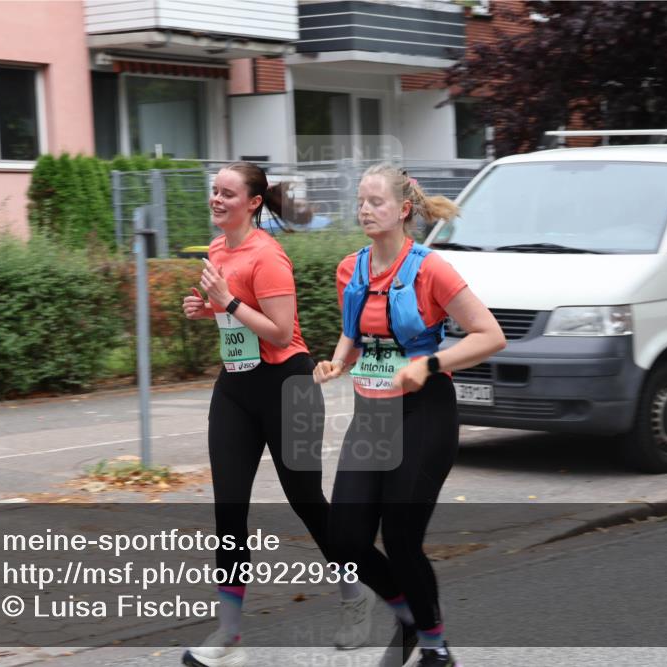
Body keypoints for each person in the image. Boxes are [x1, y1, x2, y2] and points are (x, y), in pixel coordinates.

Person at [313, 163, 506, 667]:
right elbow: (356, 332)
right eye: (360, 201)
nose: (364, 210)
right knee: (346, 538)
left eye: (376, 201)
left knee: (400, 539)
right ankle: (406, 614)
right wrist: (337, 360)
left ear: (402, 210)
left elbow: (490, 335)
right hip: (372, 415)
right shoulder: (349, 269)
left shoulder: (430, 269)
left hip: (425, 414)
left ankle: (435, 646)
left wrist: (431, 364)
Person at [180, 162, 371, 667]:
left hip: (288, 386)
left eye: (227, 193)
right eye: (214, 191)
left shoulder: (269, 256)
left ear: (253, 202)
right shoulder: (219, 250)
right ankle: (229, 632)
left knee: (307, 501)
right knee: (228, 509)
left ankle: (356, 596)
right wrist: (210, 311)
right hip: (236, 388)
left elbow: (282, 333)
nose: (216, 200)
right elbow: (238, 320)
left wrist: (230, 301)